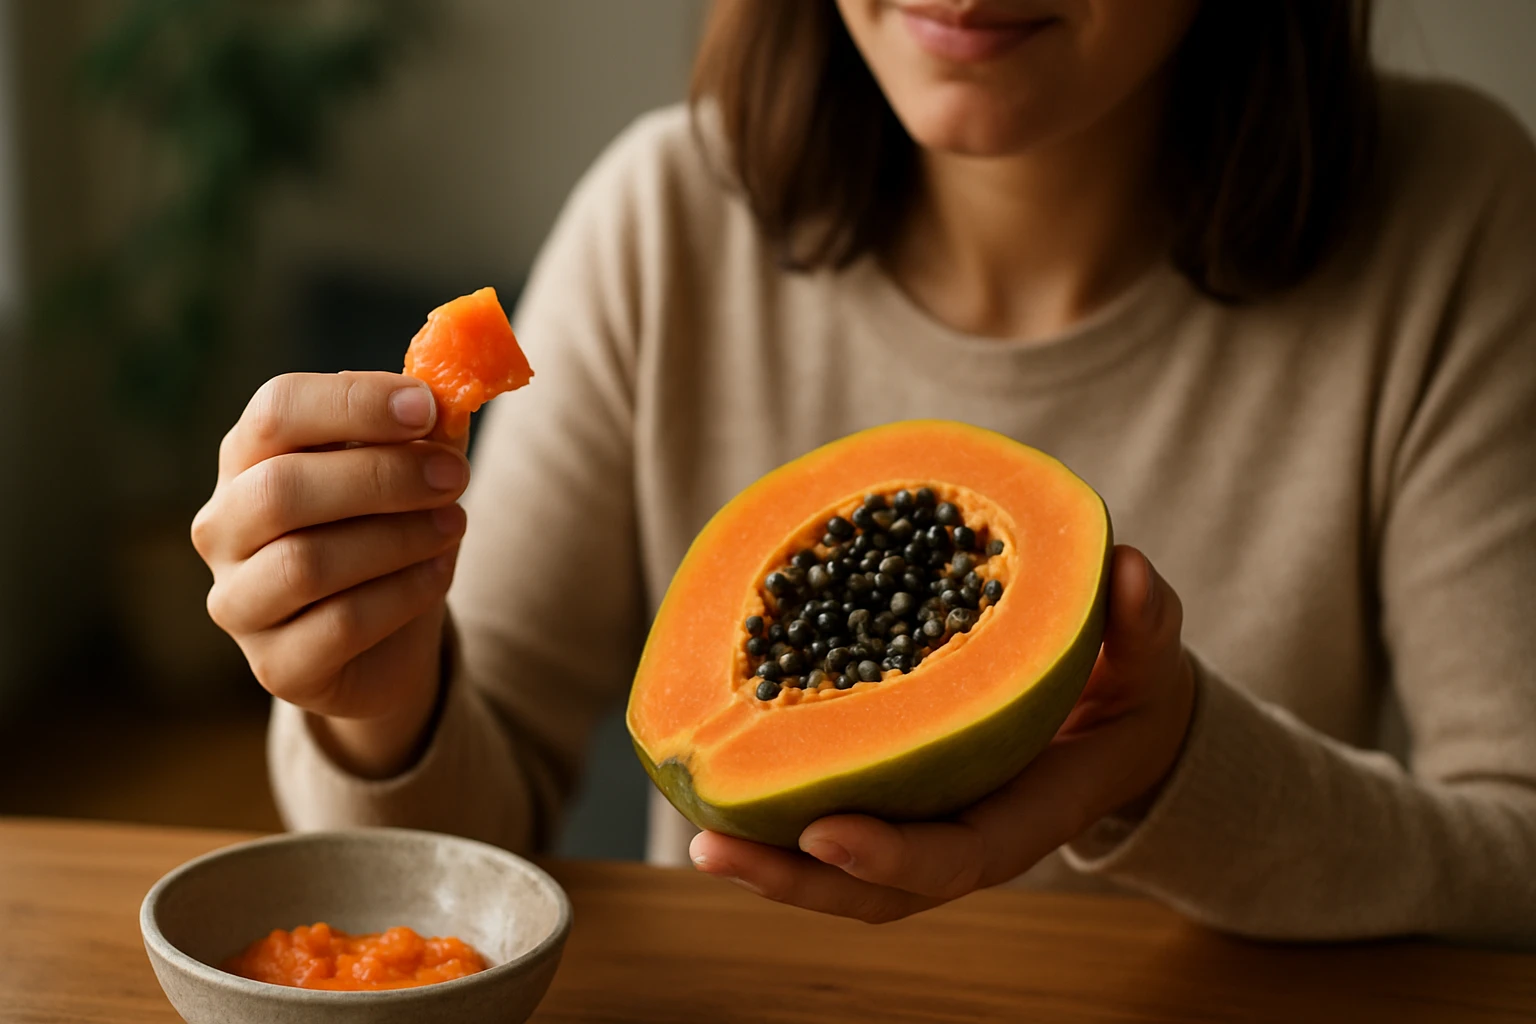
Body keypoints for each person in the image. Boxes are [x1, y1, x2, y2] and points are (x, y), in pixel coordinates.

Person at [191, 0, 1536, 942]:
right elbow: (466, 852)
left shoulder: (1456, 213)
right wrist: (381, 700)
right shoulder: (662, 223)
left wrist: (1167, 763)